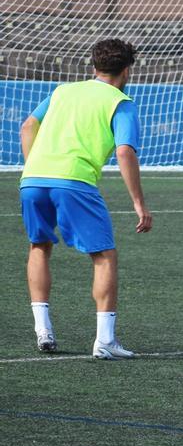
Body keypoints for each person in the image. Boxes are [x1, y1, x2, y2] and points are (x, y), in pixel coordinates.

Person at [19, 39, 152, 360]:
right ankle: (105, 341)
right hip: (74, 181)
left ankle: (44, 331)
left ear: (94, 67)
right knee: (104, 255)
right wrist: (138, 203)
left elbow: (27, 126)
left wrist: (33, 166)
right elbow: (124, 151)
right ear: (127, 70)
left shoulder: (63, 90)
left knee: (40, 247)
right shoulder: (121, 102)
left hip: (33, 178)